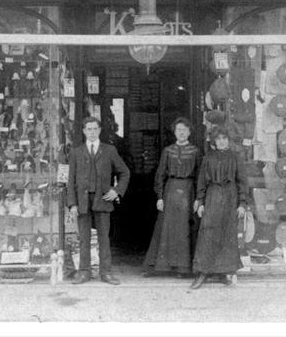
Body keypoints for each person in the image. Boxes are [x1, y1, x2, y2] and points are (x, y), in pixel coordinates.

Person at [67, 116, 130, 285]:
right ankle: (84, 272)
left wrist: (116, 191)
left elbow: (124, 172)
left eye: (95, 129)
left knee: (104, 237)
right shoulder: (76, 151)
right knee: (84, 238)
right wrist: (72, 204)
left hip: (102, 199)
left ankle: (106, 272)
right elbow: (71, 179)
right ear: (83, 131)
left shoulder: (109, 150)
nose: (92, 132)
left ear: (100, 130)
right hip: (82, 200)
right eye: (89, 129)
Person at [190, 126, 248, 289]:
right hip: (213, 196)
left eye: (224, 139)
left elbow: (242, 182)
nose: (222, 142)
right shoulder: (208, 158)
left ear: (228, 141)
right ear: (214, 142)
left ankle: (224, 272)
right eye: (219, 139)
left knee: (227, 234)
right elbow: (201, 181)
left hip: (230, 197)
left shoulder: (236, 157)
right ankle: (203, 273)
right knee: (208, 233)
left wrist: (242, 203)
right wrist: (200, 201)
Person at [142, 117, 201, 277]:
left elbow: (199, 177)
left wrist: (198, 199)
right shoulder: (167, 151)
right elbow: (160, 174)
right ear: (174, 132)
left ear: (189, 132)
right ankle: (162, 266)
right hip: (170, 191)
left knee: (184, 230)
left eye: (185, 130)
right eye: (178, 130)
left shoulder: (195, 152)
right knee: (166, 228)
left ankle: (183, 268)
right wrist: (159, 197)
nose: (181, 133)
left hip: (188, 192)